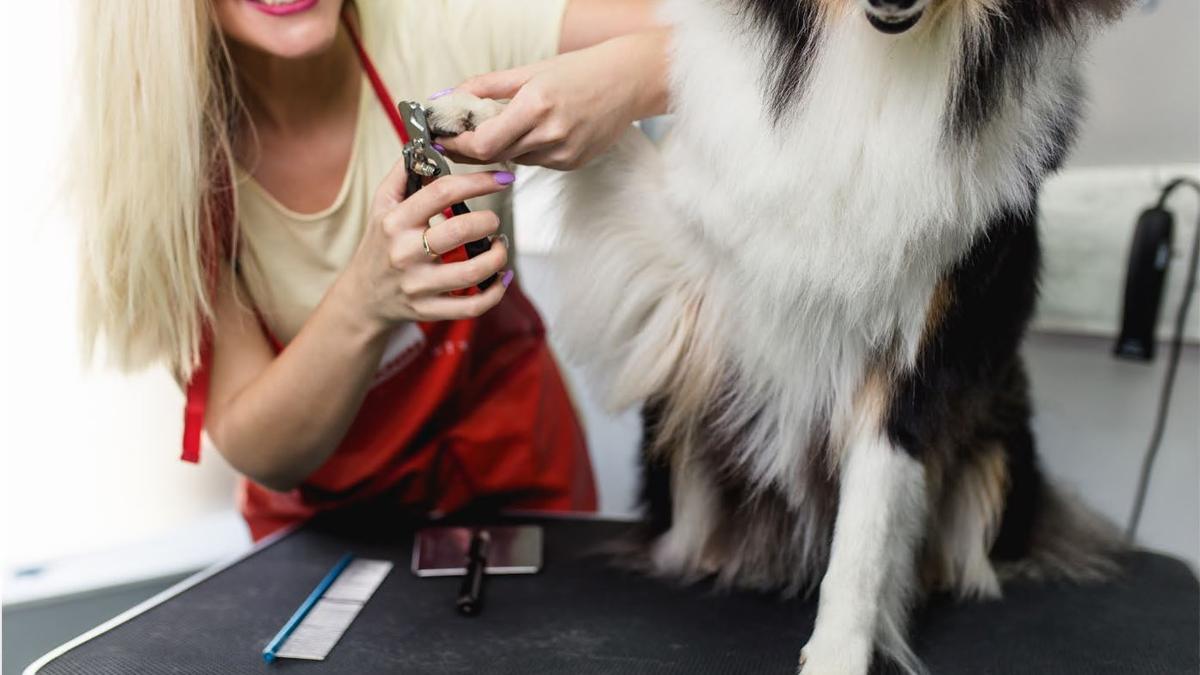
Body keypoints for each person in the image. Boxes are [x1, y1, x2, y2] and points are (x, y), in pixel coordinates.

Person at [75, 0, 669, 540]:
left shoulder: (441, 20)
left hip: (522, 475)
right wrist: (365, 298)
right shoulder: (169, 162)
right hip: (329, 533)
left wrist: (624, 76)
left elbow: (731, 36)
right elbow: (261, 450)